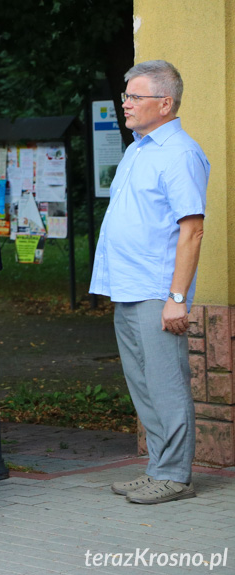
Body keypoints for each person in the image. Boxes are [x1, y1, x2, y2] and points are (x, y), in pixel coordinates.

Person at [91, 60, 208, 505]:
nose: (126, 104)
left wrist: (177, 297)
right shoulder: (138, 148)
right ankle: (159, 468)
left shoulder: (180, 153)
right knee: (143, 384)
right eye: (126, 96)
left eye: (135, 97)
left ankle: (175, 475)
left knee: (166, 384)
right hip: (128, 286)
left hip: (158, 291)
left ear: (165, 102)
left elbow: (192, 229)